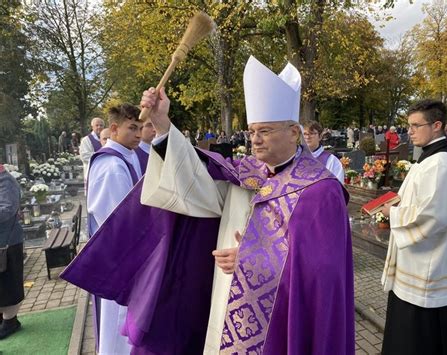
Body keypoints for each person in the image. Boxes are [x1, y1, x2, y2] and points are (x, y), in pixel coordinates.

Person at [62, 56, 354, 354]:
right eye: (252, 131)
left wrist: (255, 260)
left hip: (282, 327)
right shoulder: (248, 174)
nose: (255, 140)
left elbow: (325, 275)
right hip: (228, 309)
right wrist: (163, 126)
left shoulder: (320, 190)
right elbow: (194, 183)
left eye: (264, 131)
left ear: (295, 133)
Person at [380, 99, 447, 355]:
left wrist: (394, 213)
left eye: (415, 125)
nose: (409, 131)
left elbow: (434, 217)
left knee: (419, 339)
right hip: (415, 264)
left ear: (437, 125)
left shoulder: (441, 163)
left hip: (425, 270)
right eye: (408, 125)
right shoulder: (429, 159)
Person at [86, 104, 142, 354]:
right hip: (120, 259)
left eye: (141, 128)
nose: (139, 134)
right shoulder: (111, 167)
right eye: (133, 128)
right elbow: (120, 221)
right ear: (115, 128)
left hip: (124, 255)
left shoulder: (126, 155)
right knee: (119, 323)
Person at [0, 164, 24, 339]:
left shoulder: (6, 181)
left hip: (8, 242)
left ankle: (10, 321)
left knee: (9, 282)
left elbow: (8, 209)